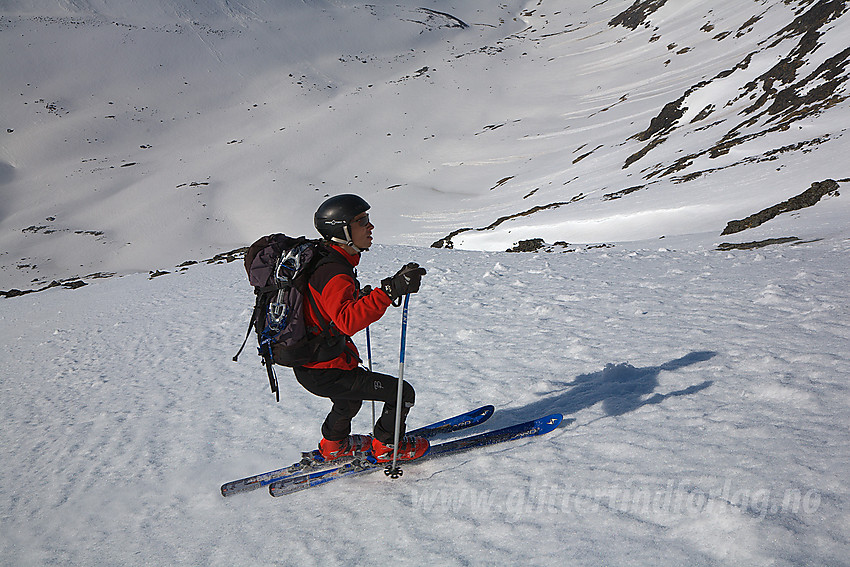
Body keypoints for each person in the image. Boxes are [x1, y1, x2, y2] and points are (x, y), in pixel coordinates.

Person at [293, 194, 429, 463]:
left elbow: (326, 309)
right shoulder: (333, 270)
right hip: (325, 368)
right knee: (401, 393)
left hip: (315, 365)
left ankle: (334, 446)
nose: (370, 226)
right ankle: (388, 447)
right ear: (342, 229)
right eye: (361, 221)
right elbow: (347, 320)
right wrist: (388, 292)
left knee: (349, 398)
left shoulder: (325, 259)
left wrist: (366, 297)